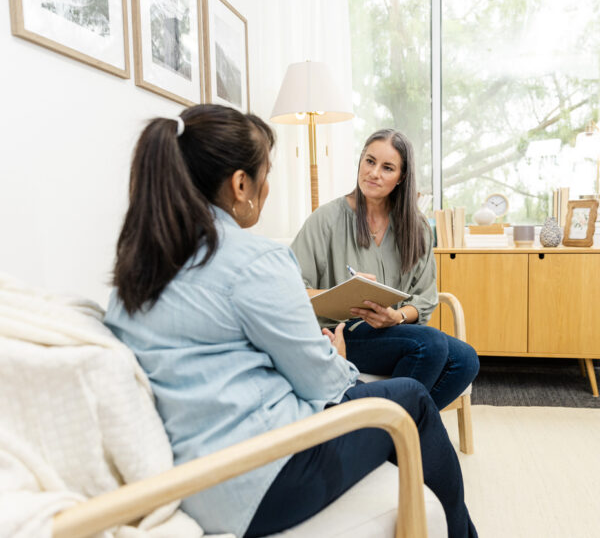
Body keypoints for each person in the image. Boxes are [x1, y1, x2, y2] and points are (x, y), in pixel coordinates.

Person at [104, 105, 477, 538]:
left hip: (187, 478)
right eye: (266, 173)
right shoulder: (256, 259)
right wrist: (338, 358)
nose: (267, 187)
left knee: (450, 356)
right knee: (411, 397)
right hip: (260, 476)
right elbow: (325, 383)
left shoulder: (135, 267)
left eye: (387, 166)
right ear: (241, 184)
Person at [291, 129, 479, 410]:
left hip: (396, 332)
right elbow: (290, 289)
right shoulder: (326, 219)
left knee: (466, 359)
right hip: (340, 334)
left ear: (401, 177)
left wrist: (397, 317)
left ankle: (387, 431)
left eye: (387, 167)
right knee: (431, 346)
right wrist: (340, 293)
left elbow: (425, 298)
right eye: (369, 161)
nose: (374, 173)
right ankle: (396, 432)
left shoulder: (417, 228)